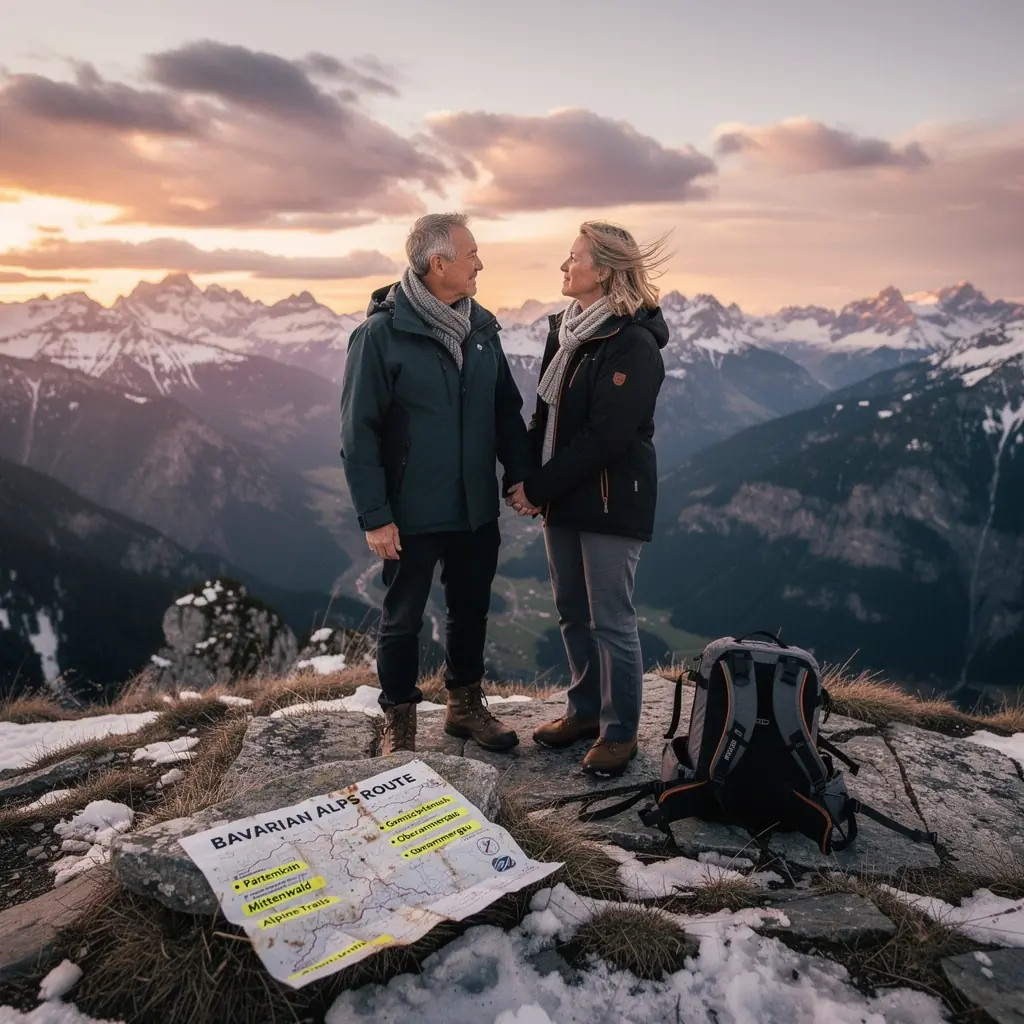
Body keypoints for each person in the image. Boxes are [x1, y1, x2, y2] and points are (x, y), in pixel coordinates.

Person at [340, 213, 532, 754]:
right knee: (402, 619)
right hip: (411, 509)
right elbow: (359, 431)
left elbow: (505, 414)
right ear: (438, 263)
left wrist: (519, 475)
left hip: (474, 508)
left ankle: (464, 708)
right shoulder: (381, 335)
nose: (480, 264)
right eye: (472, 254)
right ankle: (398, 719)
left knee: (470, 611)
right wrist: (375, 514)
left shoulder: (483, 330)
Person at [507, 221, 669, 777]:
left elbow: (606, 439)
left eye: (572, 257)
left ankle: (620, 732)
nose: (563, 266)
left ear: (601, 269)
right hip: (565, 498)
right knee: (572, 611)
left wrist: (540, 487)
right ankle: (583, 712)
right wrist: (526, 477)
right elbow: (544, 416)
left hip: (607, 500)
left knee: (612, 620)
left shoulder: (634, 343)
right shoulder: (568, 331)